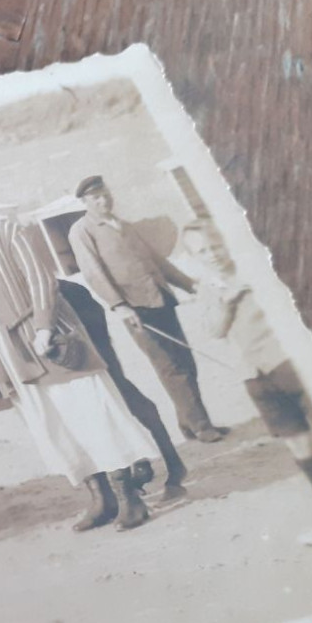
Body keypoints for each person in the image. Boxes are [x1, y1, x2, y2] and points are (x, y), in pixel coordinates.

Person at [0, 193, 160, 531]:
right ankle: (100, 498)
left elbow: (40, 280)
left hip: (46, 338)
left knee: (90, 412)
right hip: (12, 350)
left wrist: (43, 328)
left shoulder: (7, 231)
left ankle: (129, 499)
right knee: (57, 422)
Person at [181, 222, 312, 545]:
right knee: (299, 444)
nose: (211, 255)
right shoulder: (206, 289)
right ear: (194, 258)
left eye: (214, 246)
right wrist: (228, 299)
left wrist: (243, 286)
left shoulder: (257, 267)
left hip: (287, 362)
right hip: (255, 377)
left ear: (224, 240)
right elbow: (214, 329)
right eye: (202, 252)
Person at [68, 175, 228, 444]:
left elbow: (157, 261)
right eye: (95, 197)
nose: (103, 199)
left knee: (185, 362)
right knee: (170, 366)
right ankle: (201, 426)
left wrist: (190, 285)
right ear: (85, 201)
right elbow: (94, 273)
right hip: (136, 309)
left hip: (161, 300)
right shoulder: (82, 231)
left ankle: (189, 423)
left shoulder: (125, 226)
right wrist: (120, 306)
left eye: (105, 193)